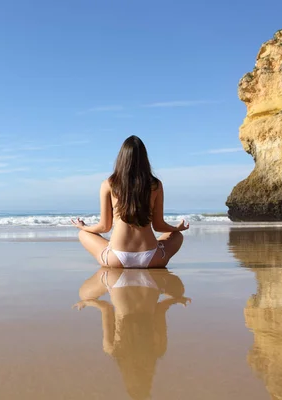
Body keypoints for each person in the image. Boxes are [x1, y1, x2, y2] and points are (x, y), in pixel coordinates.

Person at [71, 135, 188, 268]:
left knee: (83, 234)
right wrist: (177, 228)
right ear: (145, 159)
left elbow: (104, 227)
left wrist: (84, 227)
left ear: (121, 158)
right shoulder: (155, 184)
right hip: (152, 258)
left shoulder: (109, 184)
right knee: (177, 235)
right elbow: (159, 225)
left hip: (116, 258)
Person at [74, 267, 191, 400]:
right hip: (116, 278)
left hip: (151, 280)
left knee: (177, 292)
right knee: (84, 294)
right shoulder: (112, 349)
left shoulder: (158, 349)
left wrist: (177, 299)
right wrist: (87, 302)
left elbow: (161, 308)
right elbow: (106, 308)